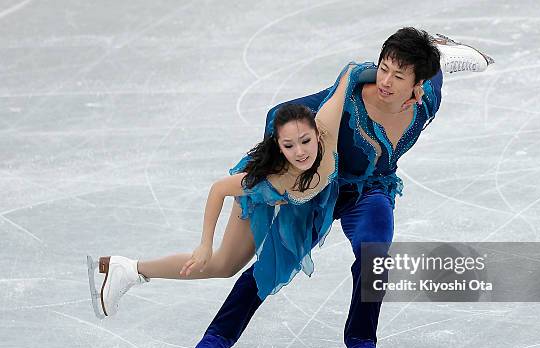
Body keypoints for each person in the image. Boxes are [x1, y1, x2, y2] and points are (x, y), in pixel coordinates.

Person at [188, 28, 495, 348]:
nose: (386, 81)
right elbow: (281, 114)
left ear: (417, 84)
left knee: (375, 254)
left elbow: (432, 77)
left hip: (371, 190)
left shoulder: (426, 103)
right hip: (320, 188)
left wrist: (437, 57)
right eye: (383, 69)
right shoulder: (349, 96)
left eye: (398, 76)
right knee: (275, 258)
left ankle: (361, 338)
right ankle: (218, 335)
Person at [87, 65, 356, 319]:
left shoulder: (328, 131)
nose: (300, 152)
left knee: (228, 265)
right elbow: (218, 189)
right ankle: (130, 269)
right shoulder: (270, 179)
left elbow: (350, 73)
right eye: (289, 146)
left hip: (300, 197)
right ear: (279, 147)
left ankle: (129, 268)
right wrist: (205, 243)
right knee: (223, 265)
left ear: (318, 134)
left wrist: (389, 74)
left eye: (305, 141)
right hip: (261, 200)